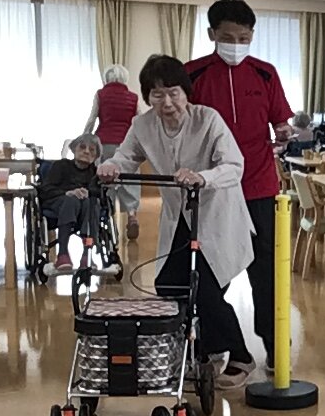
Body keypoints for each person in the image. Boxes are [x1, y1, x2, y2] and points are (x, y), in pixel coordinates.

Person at [98, 55, 257, 391]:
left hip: (215, 214)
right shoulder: (143, 125)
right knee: (169, 285)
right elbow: (125, 156)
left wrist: (203, 176)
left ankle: (241, 356)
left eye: (173, 93)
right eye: (157, 95)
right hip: (179, 217)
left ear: (186, 92)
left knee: (205, 289)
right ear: (147, 97)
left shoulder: (208, 120)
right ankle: (201, 352)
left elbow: (234, 164)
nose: (167, 102)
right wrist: (112, 166)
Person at [185, 0, 293, 373]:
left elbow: (281, 122)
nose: (236, 44)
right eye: (228, 37)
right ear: (212, 34)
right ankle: (214, 344)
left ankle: (275, 345)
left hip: (259, 186)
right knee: (211, 272)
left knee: (266, 273)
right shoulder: (193, 74)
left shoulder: (265, 73)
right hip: (213, 190)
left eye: (244, 38)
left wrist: (285, 132)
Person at [85, 64, 142, 239]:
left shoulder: (101, 95)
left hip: (104, 143)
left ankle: (108, 217)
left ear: (106, 78)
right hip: (127, 143)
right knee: (130, 180)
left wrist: (85, 137)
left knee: (105, 178)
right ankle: (131, 216)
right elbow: (139, 121)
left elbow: (92, 118)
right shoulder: (133, 97)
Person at [38, 133, 102, 273]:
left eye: (92, 150)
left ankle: (87, 254)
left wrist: (89, 193)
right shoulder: (60, 166)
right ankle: (62, 254)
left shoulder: (96, 173)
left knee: (91, 203)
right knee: (71, 200)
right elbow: (46, 189)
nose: (86, 151)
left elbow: (101, 194)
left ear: (96, 156)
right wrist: (67, 192)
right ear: (73, 149)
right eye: (82, 147)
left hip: (84, 209)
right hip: (58, 202)